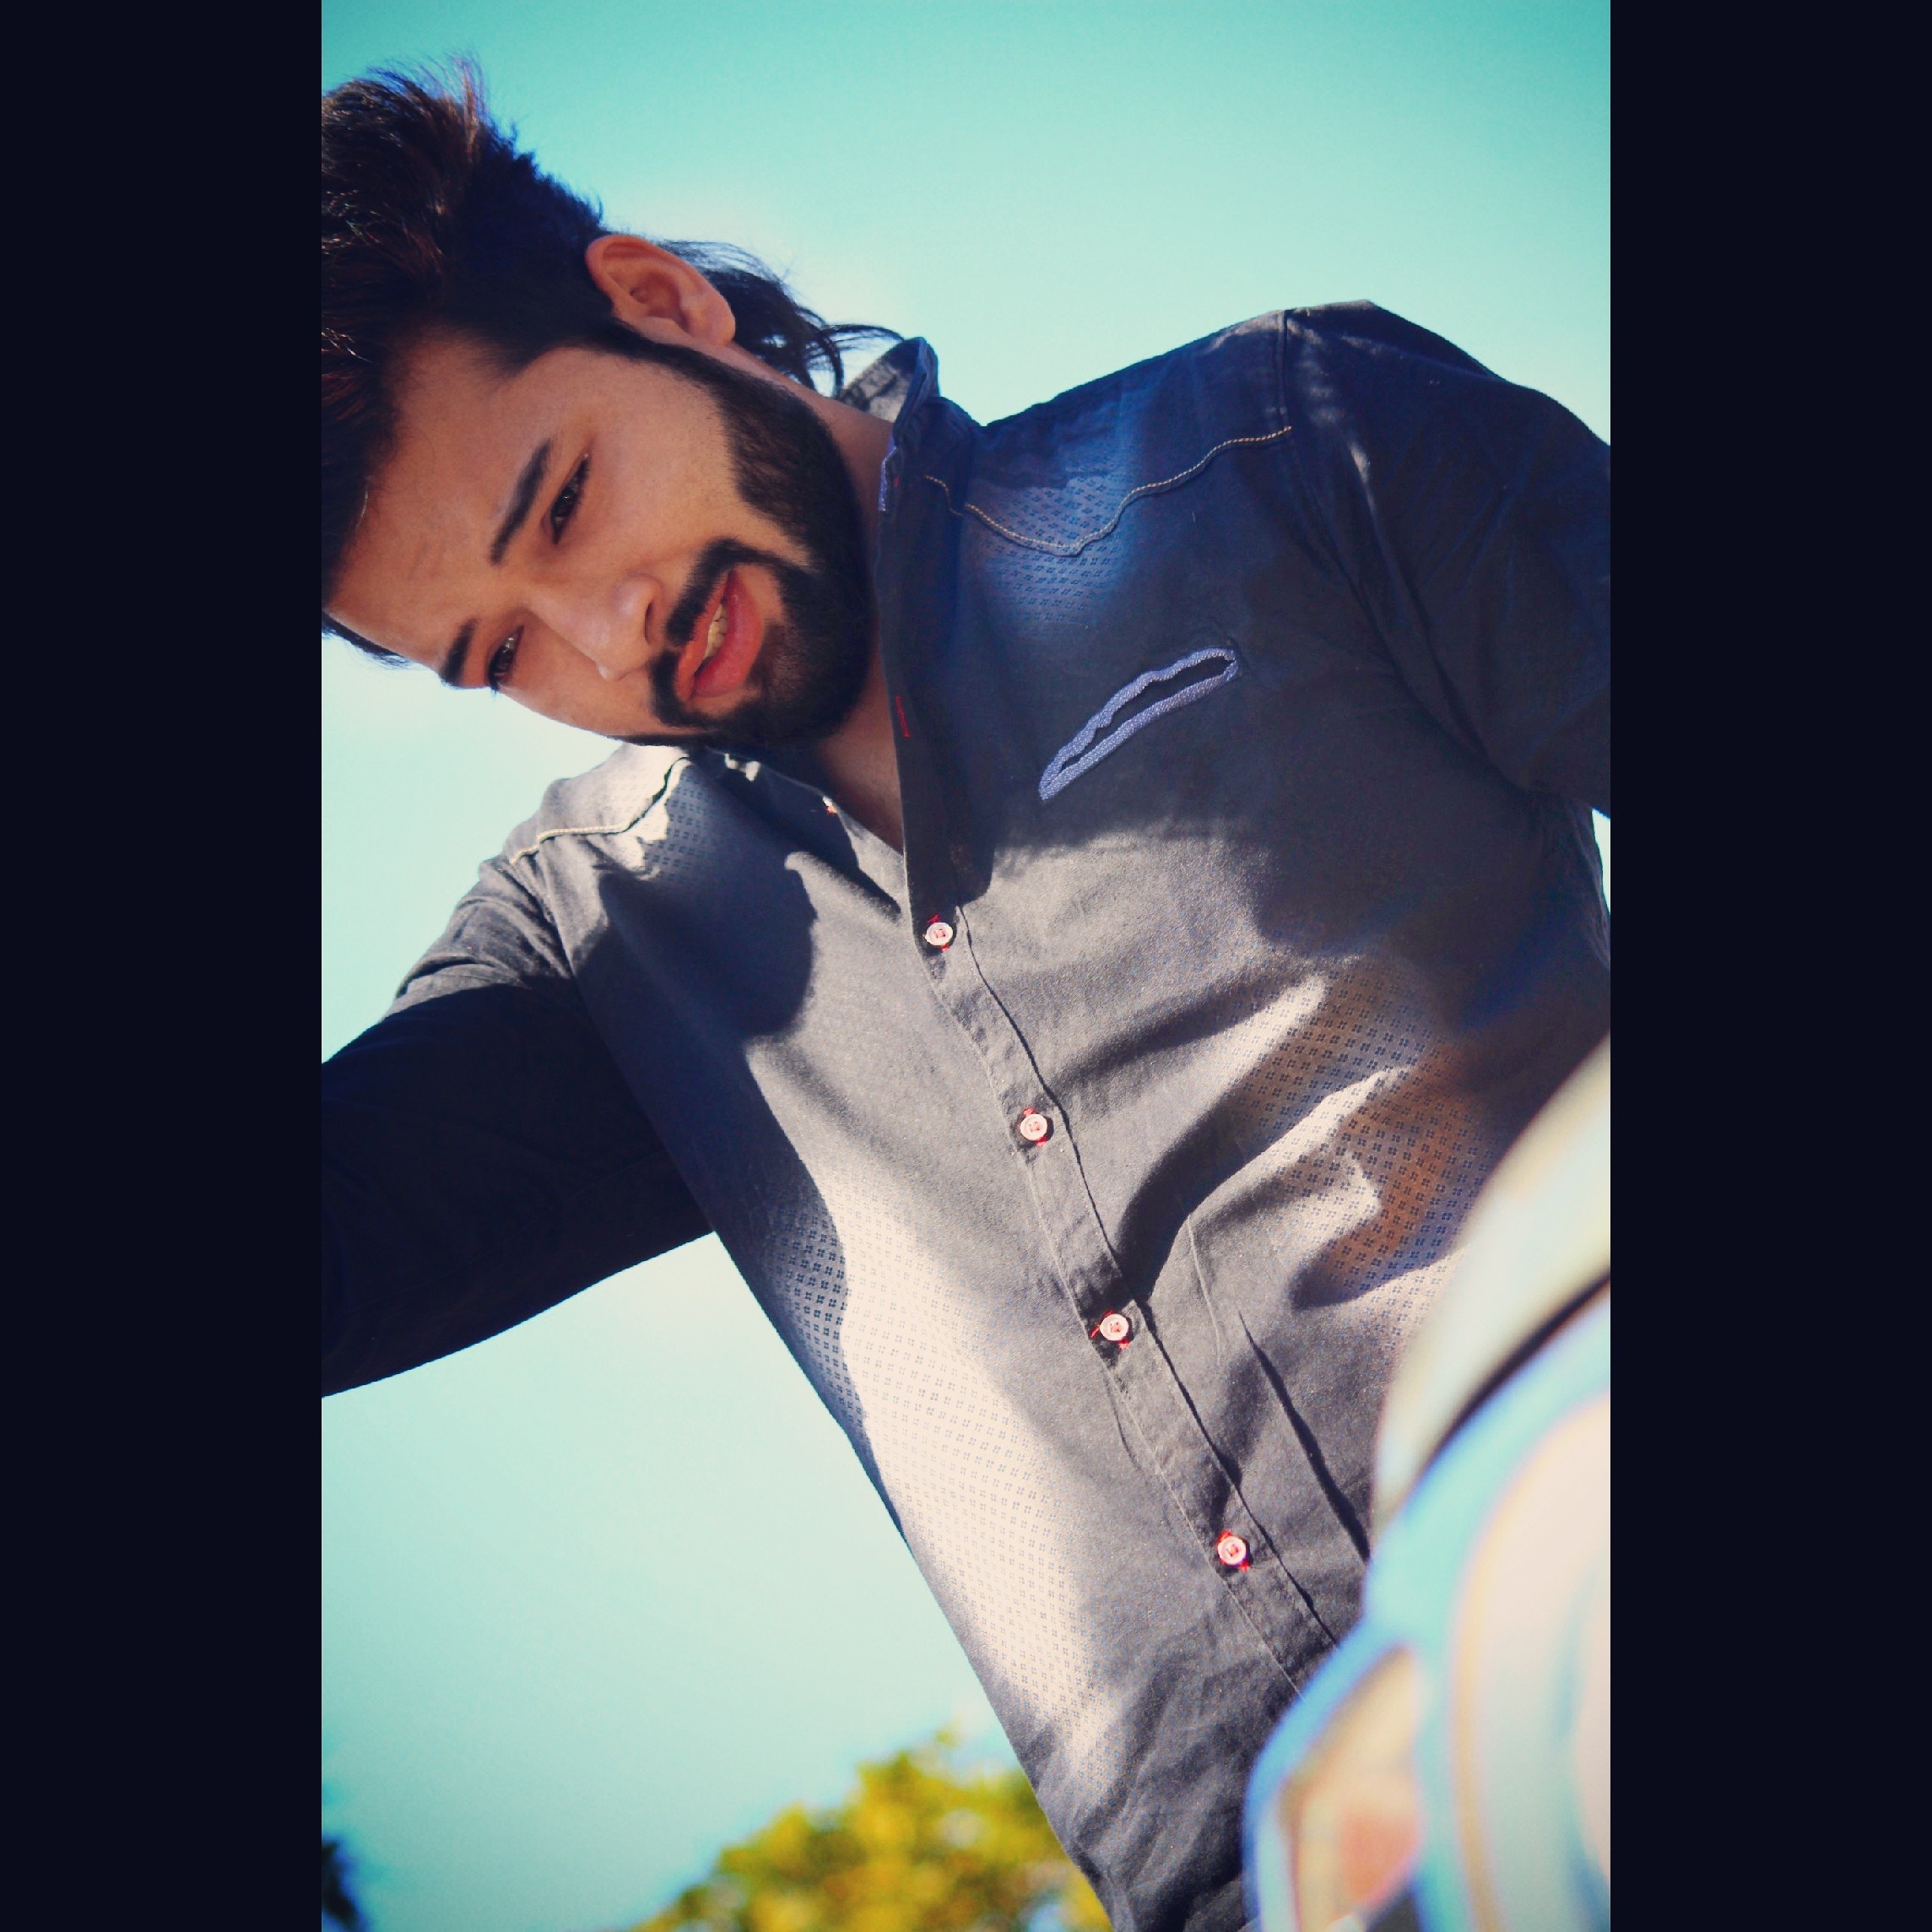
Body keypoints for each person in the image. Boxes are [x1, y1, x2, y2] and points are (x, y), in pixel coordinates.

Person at [321, 67, 1609, 1932]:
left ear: (660, 301)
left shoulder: (1275, 450)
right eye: (498, 649)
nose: (606, 635)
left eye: (570, 501)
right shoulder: (602, 932)